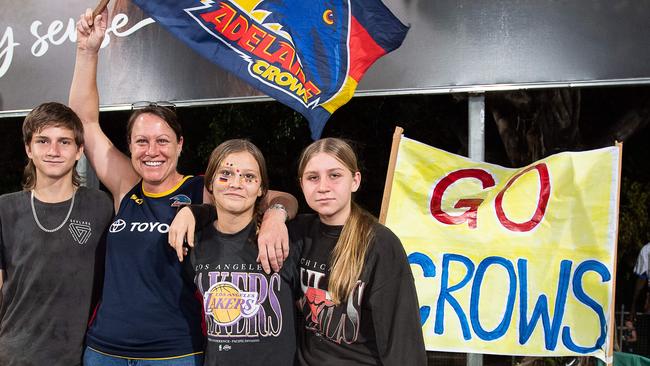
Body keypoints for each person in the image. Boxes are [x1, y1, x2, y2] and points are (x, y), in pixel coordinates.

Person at [70, 8, 296, 365]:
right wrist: (87, 51)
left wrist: (274, 217)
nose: (152, 151)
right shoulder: (125, 185)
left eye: (162, 141)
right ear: (129, 147)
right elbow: (83, 121)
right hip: (104, 350)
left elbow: (282, 197)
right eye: (141, 141)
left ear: (179, 145)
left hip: (174, 353)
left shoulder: (201, 189)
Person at [171, 137, 427, 365]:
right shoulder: (298, 233)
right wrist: (192, 211)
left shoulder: (379, 243)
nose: (323, 186)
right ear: (301, 184)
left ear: (355, 180)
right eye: (313, 177)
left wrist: (275, 213)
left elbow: (402, 339)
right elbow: (233, 211)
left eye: (335, 175)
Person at [0, 102, 113, 366]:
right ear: (29, 148)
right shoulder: (5, 208)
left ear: (79, 151)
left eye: (64, 142)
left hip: (81, 356)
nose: (53, 151)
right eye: (43, 141)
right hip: (14, 356)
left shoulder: (101, 206)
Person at [184, 139, 299, 365]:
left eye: (248, 177)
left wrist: (276, 213)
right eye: (226, 174)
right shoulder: (194, 243)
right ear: (210, 184)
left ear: (261, 189)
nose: (236, 183)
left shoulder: (284, 239)